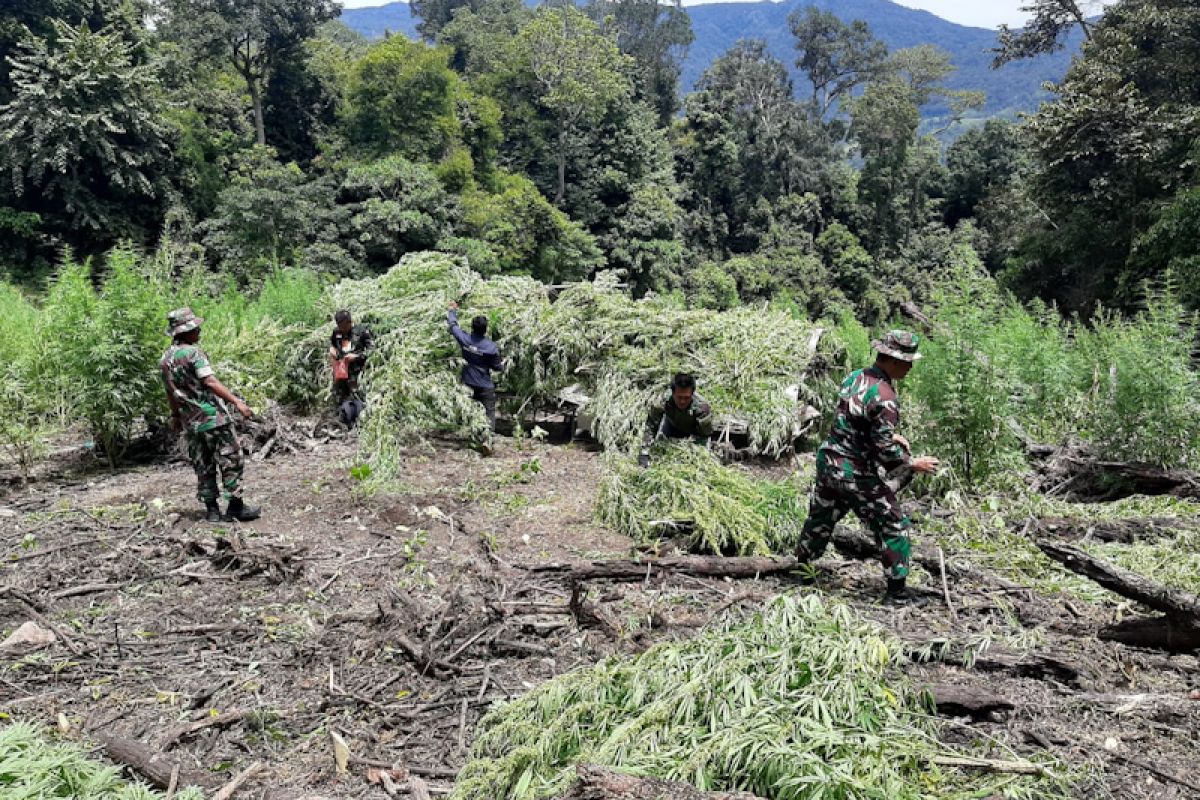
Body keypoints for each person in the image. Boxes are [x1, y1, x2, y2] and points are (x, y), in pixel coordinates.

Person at [794, 330, 939, 604]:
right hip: (853, 471)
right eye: (908, 361)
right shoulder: (885, 397)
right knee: (893, 524)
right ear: (893, 361)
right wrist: (912, 463)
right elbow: (885, 453)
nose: (910, 367)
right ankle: (896, 593)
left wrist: (889, 435)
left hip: (828, 462)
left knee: (820, 518)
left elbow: (851, 418)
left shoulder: (856, 377)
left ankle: (801, 571)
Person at [160, 308, 261, 523]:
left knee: (203, 464)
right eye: (195, 327)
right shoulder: (193, 354)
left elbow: (171, 392)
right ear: (185, 332)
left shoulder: (165, 360)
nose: (199, 330)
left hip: (191, 423)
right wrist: (237, 402)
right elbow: (210, 381)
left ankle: (212, 510)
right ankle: (235, 507)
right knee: (231, 459)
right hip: (212, 418)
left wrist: (176, 416)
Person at [447, 302, 504, 431]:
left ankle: (472, 433)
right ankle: (486, 439)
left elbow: (453, 326)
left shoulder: (464, 339)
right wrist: (503, 364)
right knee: (489, 412)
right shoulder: (491, 347)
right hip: (484, 384)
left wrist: (452, 311)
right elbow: (498, 368)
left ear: (472, 327)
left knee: (470, 410)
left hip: (467, 382)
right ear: (485, 330)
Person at [638, 373, 714, 468]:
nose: (682, 401)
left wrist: (693, 453)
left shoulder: (701, 409)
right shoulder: (662, 401)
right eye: (679, 397)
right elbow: (651, 425)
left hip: (693, 434)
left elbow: (704, 436)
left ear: (692, 394)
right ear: (672, 393)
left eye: (686, 398)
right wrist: (644, 452)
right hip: (671, 427)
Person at [328, 309, 373, 428]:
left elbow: (372, 351)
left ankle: (360, 424)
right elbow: (332, 344)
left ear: (349, 322)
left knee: (357, 397)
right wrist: (332, 350)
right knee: (341, 396)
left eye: (343, 325)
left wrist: (357, 356)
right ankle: (343, 423)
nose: (341, 328)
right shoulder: (337, 332)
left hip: (357, 372)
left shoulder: (361, 332)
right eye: (339, 325)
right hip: (342, 371)